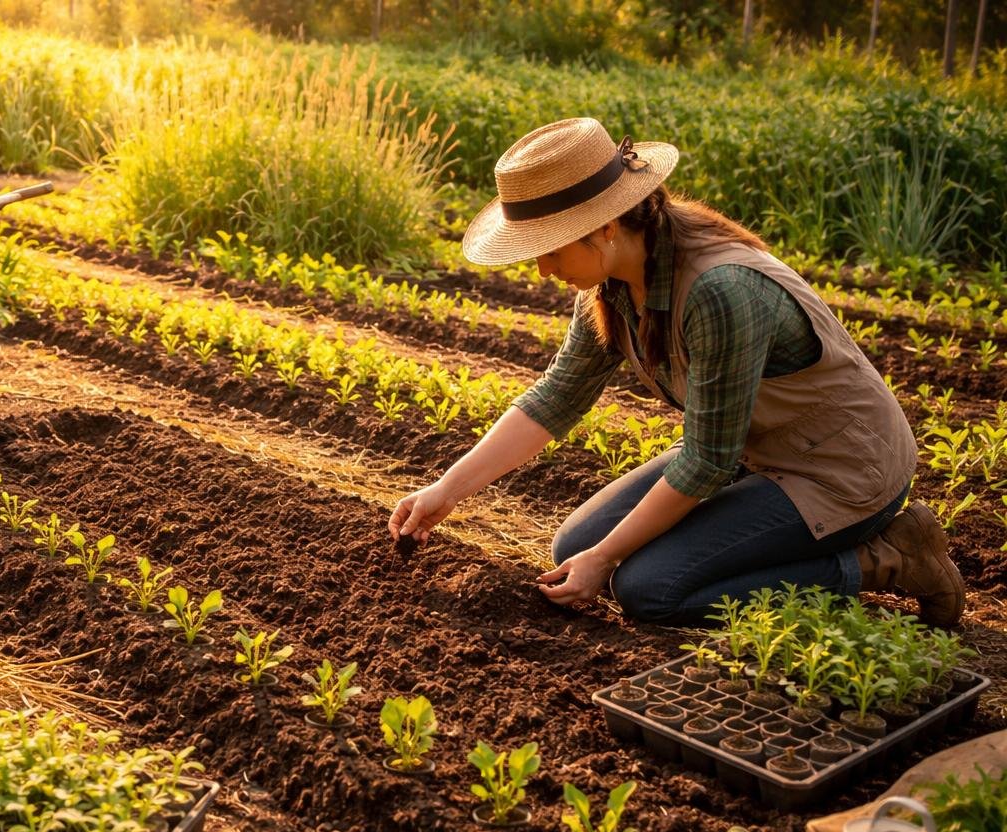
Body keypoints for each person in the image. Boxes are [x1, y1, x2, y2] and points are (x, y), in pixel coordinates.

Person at [388, 117, 965, 627]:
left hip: (838, 470)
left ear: (604, 227)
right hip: (755, 450)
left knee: (649, 589)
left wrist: (608, 558)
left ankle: (884, 558)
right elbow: (558, 396)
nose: (542, 270)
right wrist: (448, 490)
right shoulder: (609, 283)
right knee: (575, 544)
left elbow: (707, 460)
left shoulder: (720, 290)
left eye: (550, 249)